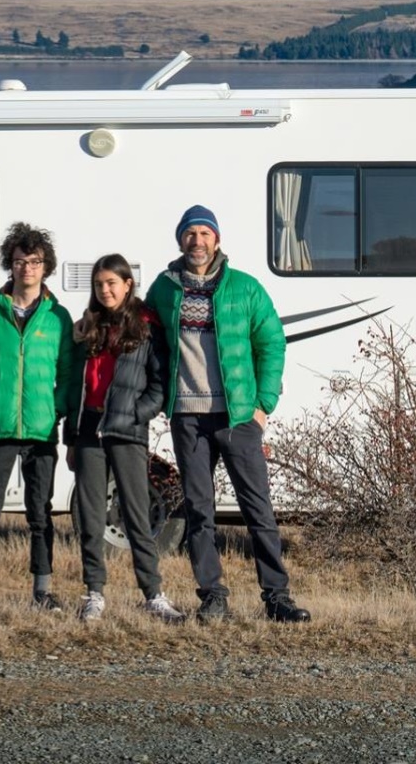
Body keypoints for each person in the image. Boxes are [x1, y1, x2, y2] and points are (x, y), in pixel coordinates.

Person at [145, 205, 311, 624]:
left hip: (237, 416)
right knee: (200, 511)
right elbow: (150, 344)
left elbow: (272, 343)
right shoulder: (164, 290)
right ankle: (212, 596)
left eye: (204, 233)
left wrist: (262, 406)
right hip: (188, 416)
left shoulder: (245, 288)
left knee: (258, 509)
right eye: (189, 233)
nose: (196, 241)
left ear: (217, 240)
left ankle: (276, 598)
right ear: (179, 239)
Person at [0, 221, 75, 616]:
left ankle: (42, 593)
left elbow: (68, 373)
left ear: (46, 267)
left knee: (41, 515)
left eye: (36, 261)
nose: (27, 268)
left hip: (42, 430)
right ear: (10, 264)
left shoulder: (58, 318)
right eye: (20, 261)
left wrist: (56, 409)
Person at [63, 253, 186, 623]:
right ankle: (94, 593)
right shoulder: (87, 327)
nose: (105, 290)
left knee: (136, 514)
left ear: (128, 284)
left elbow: (160, 382)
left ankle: (153, 594)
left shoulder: (146, 326)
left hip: (127, 431)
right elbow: (75, 385)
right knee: (90, 516)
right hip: (88, 430)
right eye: (99, 285)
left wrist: (137, 413)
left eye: (111, 283)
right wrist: (71, 434)